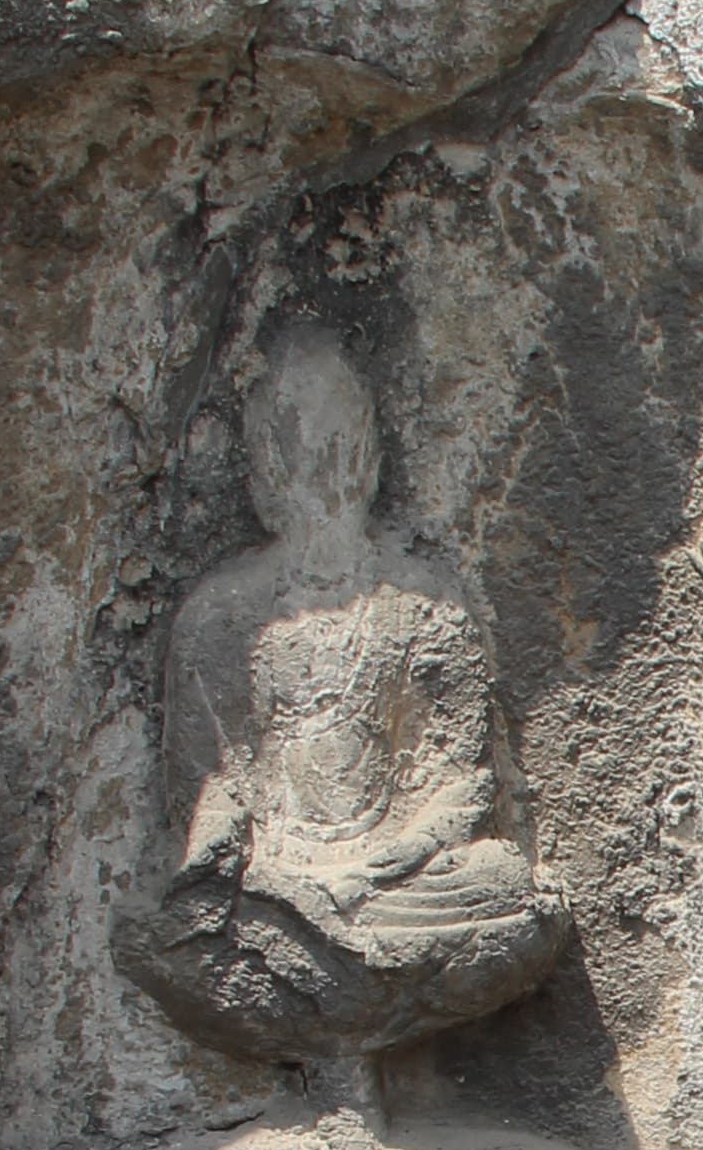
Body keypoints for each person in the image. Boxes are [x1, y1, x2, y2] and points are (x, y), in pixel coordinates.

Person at [119, 326, 570, 1068]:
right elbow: (207, 791)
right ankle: (314, 946)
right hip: (274, 886)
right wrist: (241, 868)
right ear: (259, 471)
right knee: (181, 917)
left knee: (503, 881)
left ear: (368, 456)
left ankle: (334, 947)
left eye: (336, 445)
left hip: (396, 881)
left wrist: (377, 868)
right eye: (288, 450)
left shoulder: (426, 602)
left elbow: (462, 788)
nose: (315, 473)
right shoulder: (220, 616)